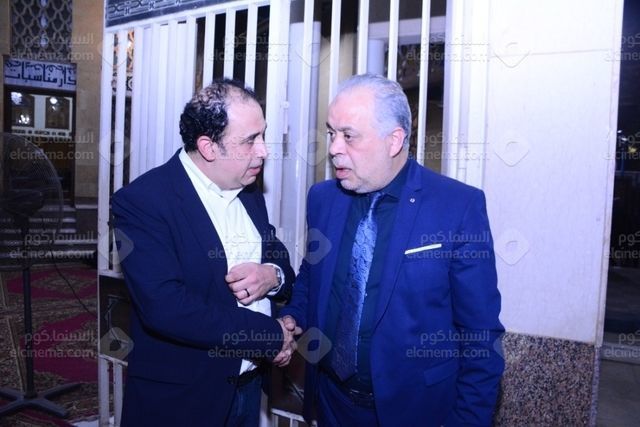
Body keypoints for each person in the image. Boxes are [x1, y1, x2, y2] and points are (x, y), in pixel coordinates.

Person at [279, 74, 504, 426]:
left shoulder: (457, 207)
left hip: (417, 412)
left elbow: (481, 336)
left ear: (394, 140)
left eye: (349, 135)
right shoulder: (322, 199)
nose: (334, 148)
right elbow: (313, 275)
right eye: (331, 133)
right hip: (332, 404)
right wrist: (294, 315)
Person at [111, 79, 298, 427]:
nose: (263, 151)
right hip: (183, 400)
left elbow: (276, 254)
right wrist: (268, 334)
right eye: (250, 140)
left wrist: (272, 276)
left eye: (263, 135)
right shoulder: (143, 202)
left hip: (248, 387)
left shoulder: (247, 188)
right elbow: (165, 307)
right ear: (208, 147)